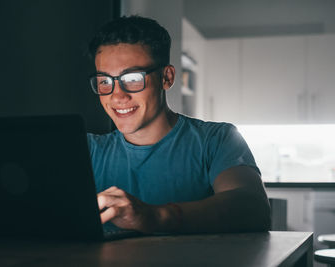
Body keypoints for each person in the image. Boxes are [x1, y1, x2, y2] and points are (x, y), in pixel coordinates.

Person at [86, 15, 271, 234]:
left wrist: (154, 217)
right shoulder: (87, 150)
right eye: (105, 81)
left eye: (133, 78)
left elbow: (253, 209)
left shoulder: (217, 140)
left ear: (167, 77)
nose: (117, 96)